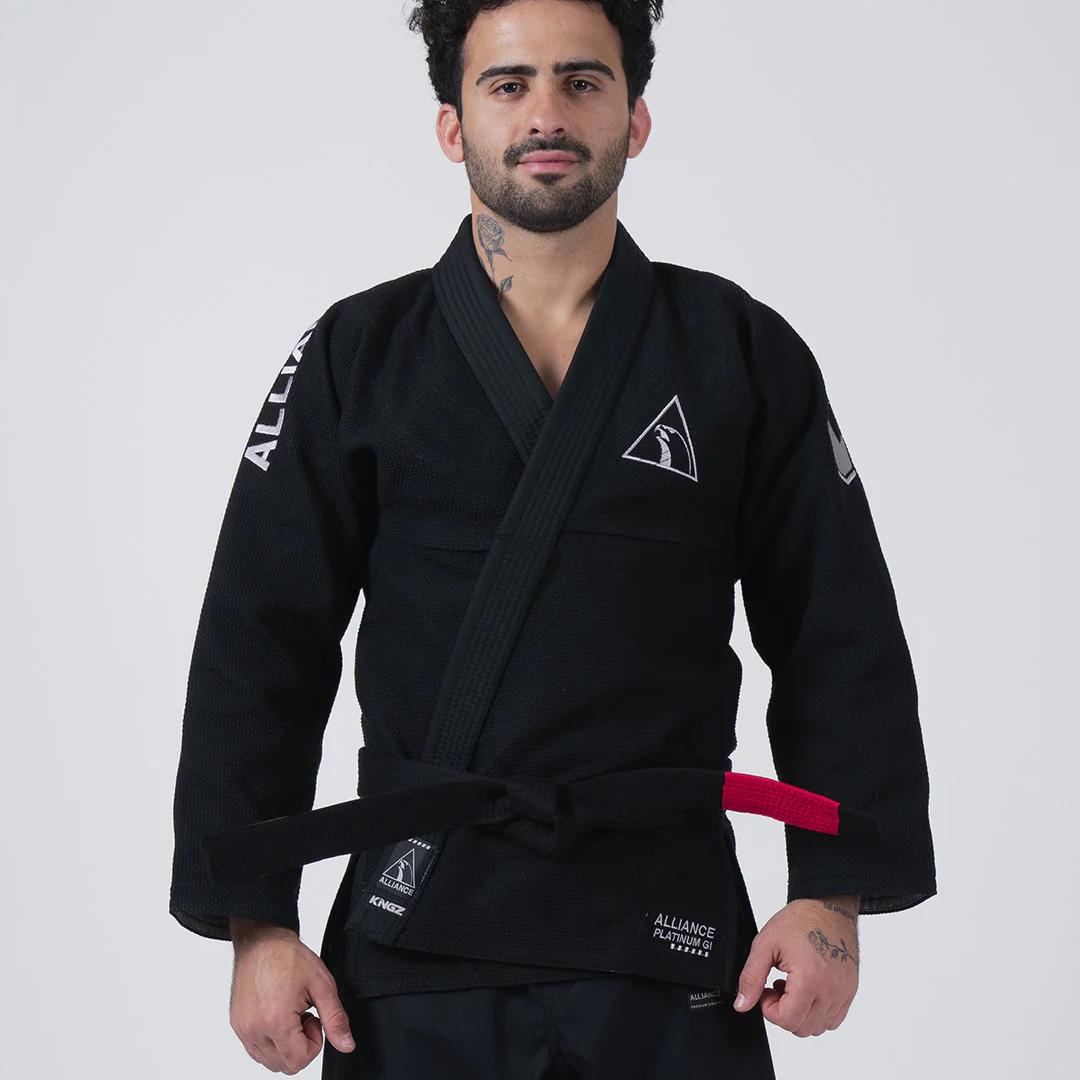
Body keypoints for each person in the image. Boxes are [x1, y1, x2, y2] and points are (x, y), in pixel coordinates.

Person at [169, 1, 937, 1076]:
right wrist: (256, 923)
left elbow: (838, 629)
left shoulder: (738, 350)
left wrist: (832, 895)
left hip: (668, 932)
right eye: (509, 83)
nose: (547, 114)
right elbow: (259, 639)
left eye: (583, 81)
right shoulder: (358, 354)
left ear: (636, 118)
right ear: (452, 124)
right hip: (417, 934)